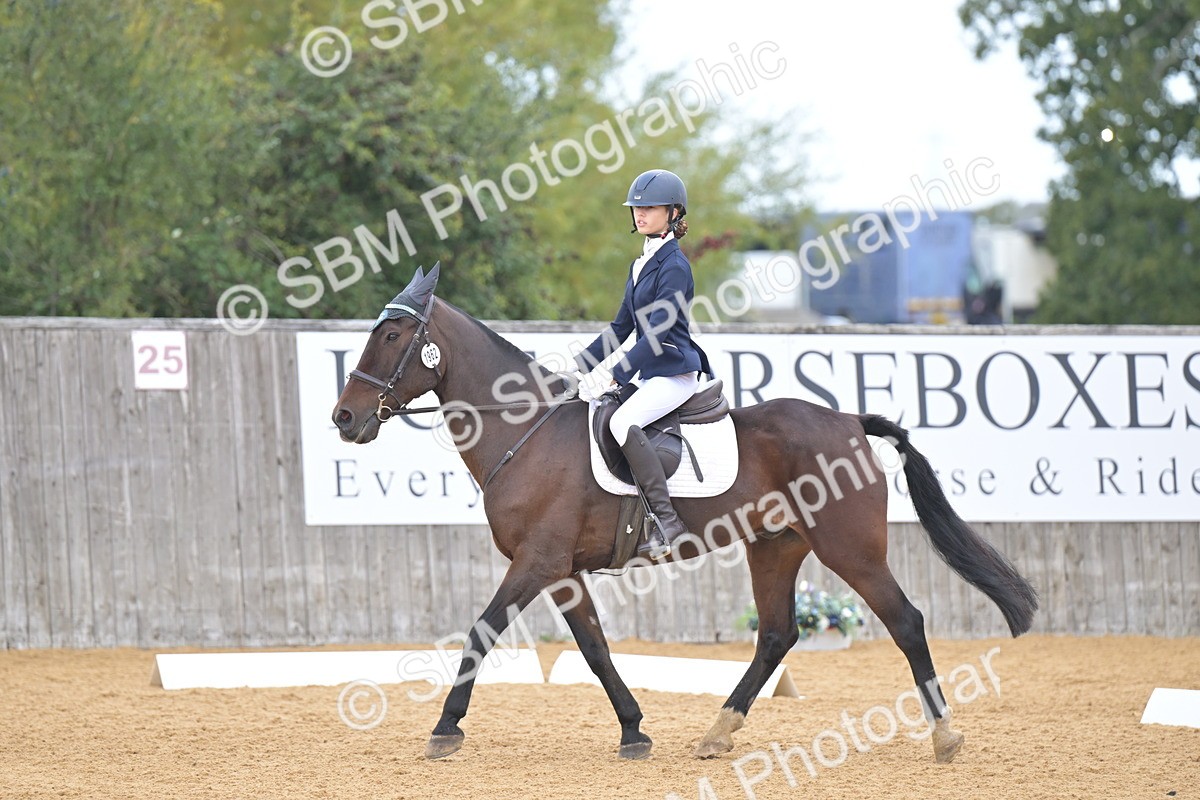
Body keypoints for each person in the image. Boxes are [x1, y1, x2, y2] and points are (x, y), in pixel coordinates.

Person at [572, 169, 714, 560]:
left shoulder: (675, 266)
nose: (640, 213)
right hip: (652, 374)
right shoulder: (640, 264)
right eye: (637, 208)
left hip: (675, 371)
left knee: (621, 422)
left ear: (673, 212)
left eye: (650, 207)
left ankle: (668, 523)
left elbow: (657, 332)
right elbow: (621, 328)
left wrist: (615, 374)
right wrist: (581, 367)